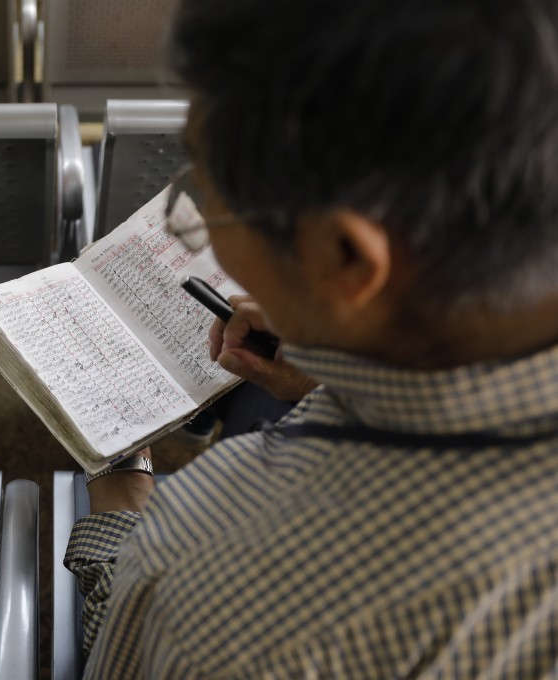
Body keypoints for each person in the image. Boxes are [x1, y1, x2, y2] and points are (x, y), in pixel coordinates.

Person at [65, 0, 558, 677]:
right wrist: (322, 384)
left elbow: (126, 651)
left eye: (206, 198)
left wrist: (123, 502)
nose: (192, 215)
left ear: (348, 259)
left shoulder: (207, 568)